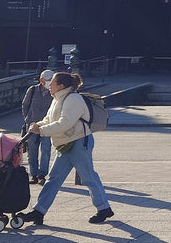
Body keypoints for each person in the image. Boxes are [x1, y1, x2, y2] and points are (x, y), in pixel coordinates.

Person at [23, 71, 114, 226]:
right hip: (65, 144)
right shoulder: (57, 98)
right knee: (53, 179)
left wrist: (42, 131)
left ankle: (103, 208)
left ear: (61, 85)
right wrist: (38, 124)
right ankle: (39, 211)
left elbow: (65, 123)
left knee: (88, 177)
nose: (49, 84)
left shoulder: (73, 99)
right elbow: (50, 119)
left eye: (52, 82)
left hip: (78, 142)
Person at [21, 69, 55, 183]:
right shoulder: (32, 90)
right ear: (41, 80)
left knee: (46, 149)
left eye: (52, 80)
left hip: (46, 126)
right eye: (48, 80)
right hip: (32, 124)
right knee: (32, 151)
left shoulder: (54, 92)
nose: (50, 83)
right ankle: (33, 174)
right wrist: (27, 119)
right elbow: (25, 105)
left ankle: (42, 175)